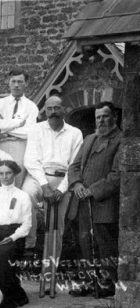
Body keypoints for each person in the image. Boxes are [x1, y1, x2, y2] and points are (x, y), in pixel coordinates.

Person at [67, 102, 121, 297]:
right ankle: (89, 282)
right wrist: (78, 185)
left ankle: (107, 284)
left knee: (105, 245)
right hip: (82, 203)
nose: (101, 121)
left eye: (105, 116)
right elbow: (74, 167)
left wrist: (92, 190)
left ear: (114, 116)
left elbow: (117, 175)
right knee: (85, 244)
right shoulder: (89, 138)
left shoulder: (121, 140)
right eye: (98, 117)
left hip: (104, 204)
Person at [22, 95, 83, 257]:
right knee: (26, 195)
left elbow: (75, 165)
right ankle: (30, 244)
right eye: (49, 108)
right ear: (45, 111)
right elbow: (30, 160)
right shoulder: (36, 129)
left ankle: (51, 262)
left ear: (64, 109)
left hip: (63, 178)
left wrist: (61, 189)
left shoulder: (75, 133)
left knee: (58, 222)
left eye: (57, 108)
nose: (53, 112)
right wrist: (44, 185)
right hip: (38, 176)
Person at [0, 160, 31, 308]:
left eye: (8, 173)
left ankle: (11, 296)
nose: (4, 176)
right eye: (1, 173)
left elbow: (27, 224)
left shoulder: (23, 195)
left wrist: (12, 237)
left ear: (15, 174)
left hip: (15, 235)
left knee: (2, 254)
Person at [0, 69, 39, 187]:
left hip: (20, 144)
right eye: (13, 81)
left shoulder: (31, 107)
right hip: (0, 143)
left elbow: (29, 132)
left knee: (17, 172)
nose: (16, 85)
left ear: (26, 83)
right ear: (8, 82)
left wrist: (5, 128)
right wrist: (18, 124)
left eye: (20, 82)